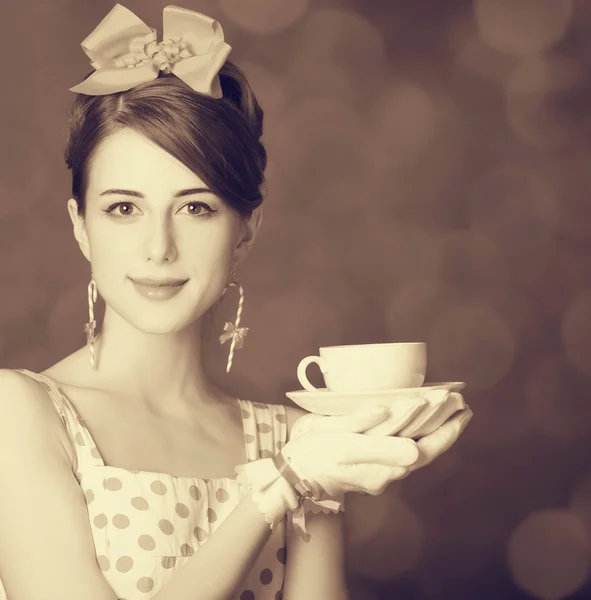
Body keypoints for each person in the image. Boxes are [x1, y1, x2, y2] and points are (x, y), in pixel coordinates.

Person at [0, 5, 473, 600]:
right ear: (81, 226)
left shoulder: (300, 438)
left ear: (244, 230)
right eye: (124, 208)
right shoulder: (20, 412)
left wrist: (313, 476)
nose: (158, 248)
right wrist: (277, 488)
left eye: (195, 207)